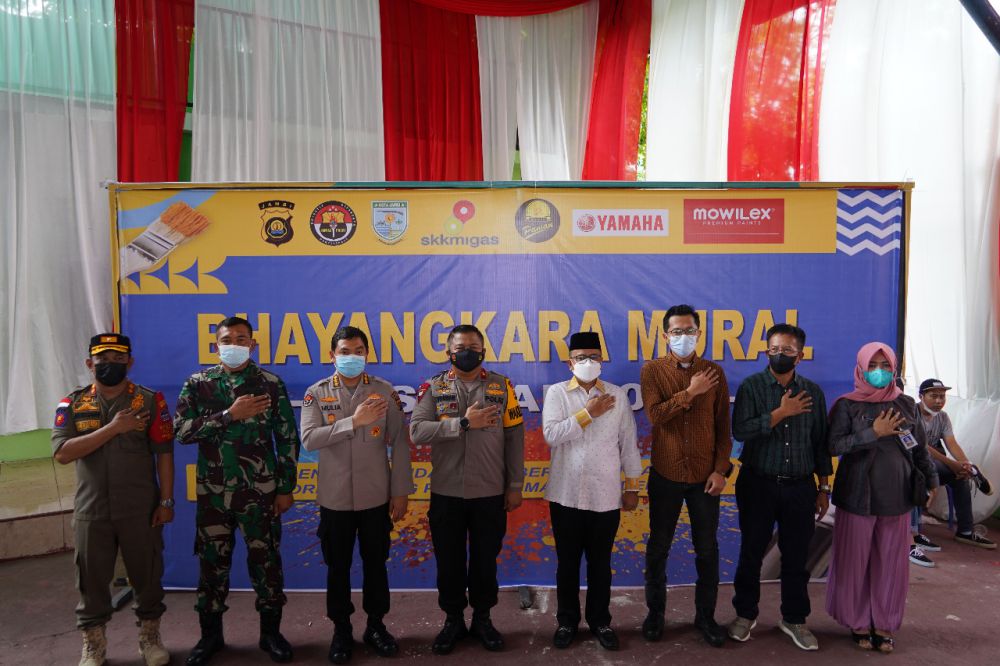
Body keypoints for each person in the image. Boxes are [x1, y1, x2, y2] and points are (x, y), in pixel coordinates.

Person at [174, 316, 300, 665]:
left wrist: (285, 488)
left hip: (260, 493)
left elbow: (287, 439)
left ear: (252, 344)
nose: (234, 344)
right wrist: (229, 414)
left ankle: (271, 634)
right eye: (227, 339)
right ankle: (210, 636)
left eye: (241, 339)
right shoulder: (198, 384)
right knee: (212, 565)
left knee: (267, 563)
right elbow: (181, 431)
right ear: (216, 345)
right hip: (213, 495)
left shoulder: (270, 384)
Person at [52, 334, 175, 666]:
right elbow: (62, 453)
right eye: (103, 359)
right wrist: (113, 428)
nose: (111, 364)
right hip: (92, 510)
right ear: (90, 363)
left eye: (119, 359)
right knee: (91, 580)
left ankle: (150, 639)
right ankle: (94, 645)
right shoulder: (72, 404)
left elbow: (164, 454)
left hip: (140, 509)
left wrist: (166, 502)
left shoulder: (149, 401)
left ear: (129, 362)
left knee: (148, 576)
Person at [409, 324, 525, 654]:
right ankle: (453, 620)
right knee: (450, 562)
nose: (467, 352)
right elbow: (417, 432)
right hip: (447, 493)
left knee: (485, 562)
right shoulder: (434, 387)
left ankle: (483, 619)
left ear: (483, 351)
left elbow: (515, 437)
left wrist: (515, 484)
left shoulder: (502, 386)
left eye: (474, 347)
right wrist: (462, 423)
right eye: (460, 347)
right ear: (449, 352)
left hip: (490, 492)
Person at [301, 326, 414, 663]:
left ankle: (376, 626)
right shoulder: (316, 393)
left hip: (375, 498)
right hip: (334, 499)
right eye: (345, 351)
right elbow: (309, 439)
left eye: (358, 351)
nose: (352, 357)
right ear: (332, 355)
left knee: (376, 565)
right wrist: (354, 421)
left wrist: (400, 491)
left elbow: (400, 443)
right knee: (337, 567)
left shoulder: (384, 391)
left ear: (367, 354)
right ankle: (341, 630)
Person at [826, 342, 939, 654]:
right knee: (855, 562)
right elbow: (833, 446)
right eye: (872, 366)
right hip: (856, 497)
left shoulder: (906, 404)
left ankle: (884, 623)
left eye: (885, 365)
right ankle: (857, 621)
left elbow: (918, 447)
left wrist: (931, 480)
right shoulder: (846, 405)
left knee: (890, 564)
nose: (879, 371)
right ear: (861, 369)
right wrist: (872, 433)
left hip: (897, 496)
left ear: (894, 368)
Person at [728, 324, 831, 650]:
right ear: (766, 351)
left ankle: (794, 619)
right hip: (757, 484)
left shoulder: (813, 392)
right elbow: (741, 431)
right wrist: (781, 413)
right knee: (751, 553)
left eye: (787, 350)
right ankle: (745, 614)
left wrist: (823, 487)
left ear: (800, 356)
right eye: (774, 349)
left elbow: (821, 442)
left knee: (796, 557)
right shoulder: (752, 386)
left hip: (800, 487)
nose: (779, 355)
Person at [542, 332, 642, 651]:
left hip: (605, 495)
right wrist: (588, 414)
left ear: (602, 361)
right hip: (565, 495)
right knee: (567, 564)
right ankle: (567, 622)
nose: (588, 362)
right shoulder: (557, 393)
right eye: (581, 357)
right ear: (570, 363)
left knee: (600, 564)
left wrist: (632, 486)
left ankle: (600, 621)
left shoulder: (616, 395)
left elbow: (628, 444)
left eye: (593, 357)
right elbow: (551, 435)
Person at [639, 304, 732, 647]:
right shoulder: (652, 371)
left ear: (699, 334)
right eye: (676, 332)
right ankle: (655, 614)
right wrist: (691, 392)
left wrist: (720, 470)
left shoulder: (714, 372)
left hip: (705, 478)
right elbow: (655, 416)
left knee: (707, 550)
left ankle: (705, 617)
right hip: (665, 475)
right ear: (665, 336)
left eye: (689, 331)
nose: (683, 337)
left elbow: (723, 428)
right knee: (658, 548)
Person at [913, 378, 995, 550]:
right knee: (932, 469)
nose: (939, 401)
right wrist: (952, 464)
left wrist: (964, 464)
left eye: (942, 396)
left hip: (935, 464)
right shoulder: (911, 413)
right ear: (921, 396)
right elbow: (923, 446)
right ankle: (913, 534)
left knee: (960, 476)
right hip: (915, 464)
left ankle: (965, 531)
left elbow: (952, 443)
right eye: (933, 396)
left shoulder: (942, 417)